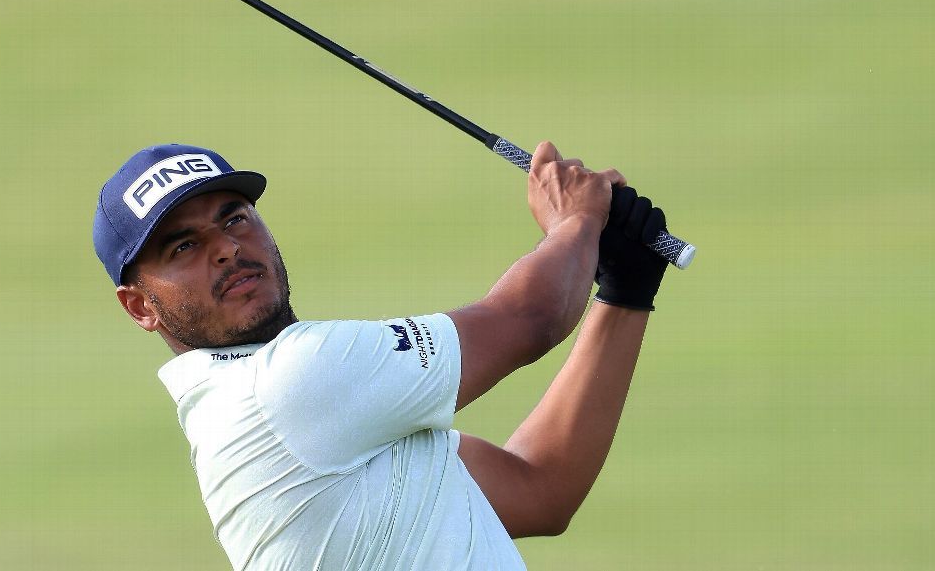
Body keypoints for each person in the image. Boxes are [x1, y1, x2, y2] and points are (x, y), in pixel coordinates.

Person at [92, 140, 671, 570]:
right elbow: (532, 317)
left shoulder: (331, 415)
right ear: (140, 306)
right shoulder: (284, 384)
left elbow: (540, 490)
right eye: (184, 246)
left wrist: (625, 291)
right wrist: (576, 221)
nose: (225, 248)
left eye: (234, 219)